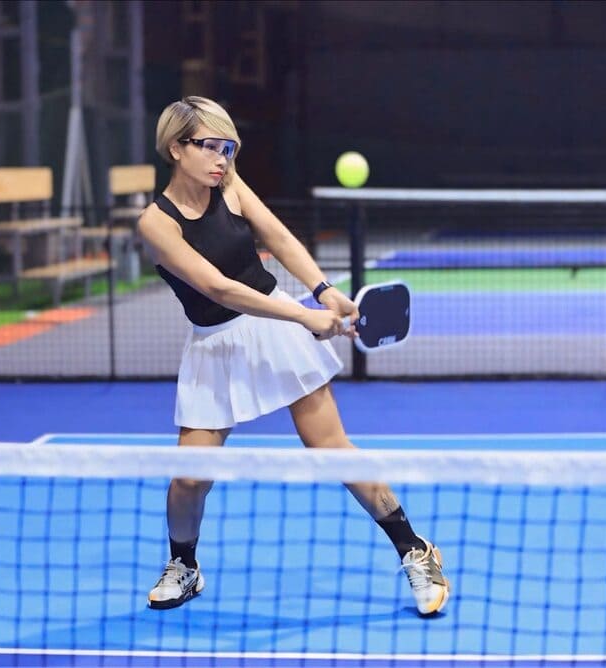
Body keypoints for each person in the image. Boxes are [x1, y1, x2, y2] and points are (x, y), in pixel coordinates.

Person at [137, 96, 450, 616]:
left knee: (330, 447)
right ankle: (184, 566)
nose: (222, 158)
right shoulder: (156, 223)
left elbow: (278, 237)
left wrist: (323, 290)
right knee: (190, 477)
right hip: (214, 345)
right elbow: (218, 288)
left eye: (229, 147)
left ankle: (415, 549)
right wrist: (304, 317)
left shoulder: (231, 186)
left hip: (272, 329)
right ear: (176, 147)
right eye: (210, 146)